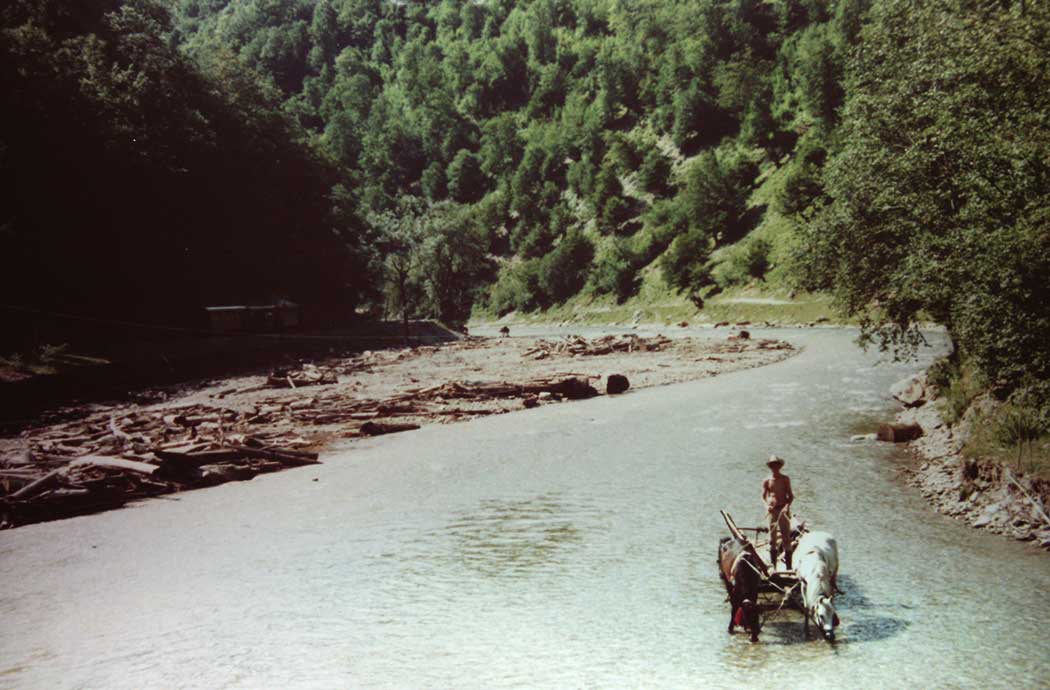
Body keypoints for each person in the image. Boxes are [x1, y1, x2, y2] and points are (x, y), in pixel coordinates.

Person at [762, 455, 794, 570]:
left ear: (780, 466)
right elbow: (763, 496)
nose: (775, 467)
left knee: (786, 538)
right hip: (772, 511)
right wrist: (767, 506)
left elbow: (790, 496)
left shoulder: (785, 479)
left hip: (783, 511)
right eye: (772, 465)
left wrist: (786, 507)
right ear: (770, 467)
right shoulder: (767, 480)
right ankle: (773, 567)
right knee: (772, 539)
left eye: (776, 465)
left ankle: (789, 568)